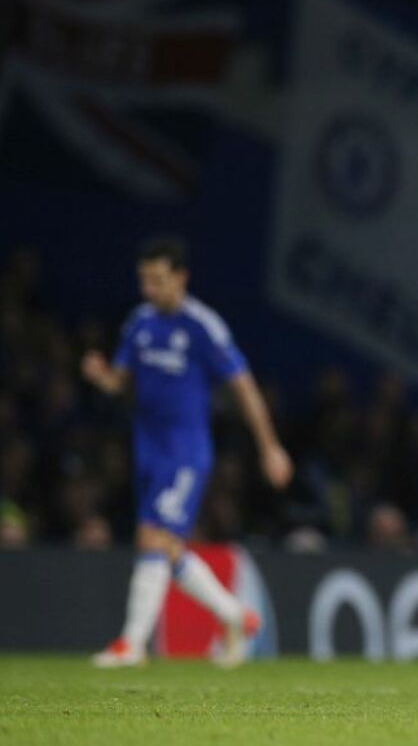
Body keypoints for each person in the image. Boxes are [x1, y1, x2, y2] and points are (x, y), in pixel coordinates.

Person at [81, 236, 292, 667]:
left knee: (151, 537)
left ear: (181, 277)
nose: (149, 289)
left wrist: (270, 447)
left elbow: (244, 388)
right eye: (144, 280)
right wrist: (102, 377)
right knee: (168, 547)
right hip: (147, 449)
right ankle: (236, 617)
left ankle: (132, 645)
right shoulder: (138, 323)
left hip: (185, 451)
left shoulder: (203, 326)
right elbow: (121, 382)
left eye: (158, 280)